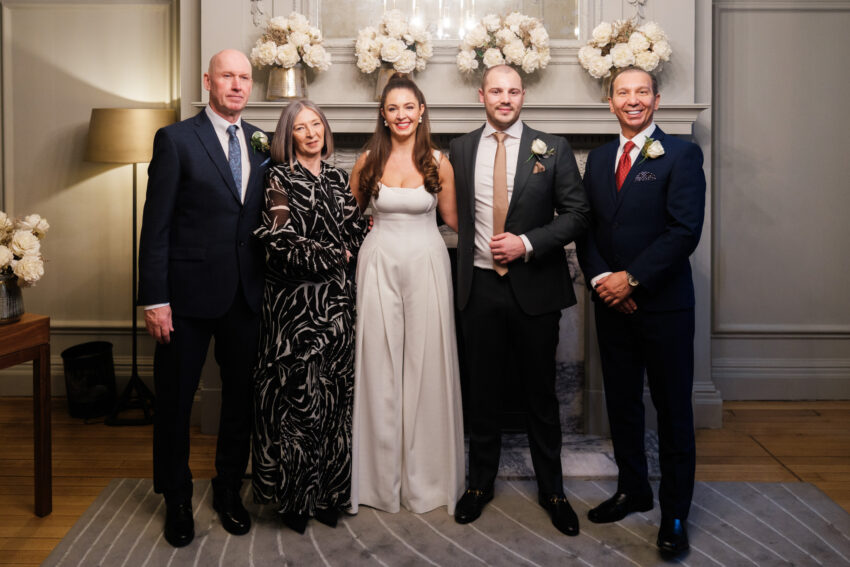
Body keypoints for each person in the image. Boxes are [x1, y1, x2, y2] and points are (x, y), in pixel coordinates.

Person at [449, 65, 589, 536]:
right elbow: (454, 213)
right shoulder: (461, 148)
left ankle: (553, 490)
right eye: (495, 91)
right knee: (482, 391)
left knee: (540, 395)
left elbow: (577, 214)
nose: (504, 99)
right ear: (481, 95)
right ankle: (478, 485)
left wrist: (526, 243)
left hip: (535, 288)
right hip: (480, 287)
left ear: (523, 95)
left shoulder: (553, 147)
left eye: (512, 91)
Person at [138, 49, 266, 547]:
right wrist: (155, 298)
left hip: (245, 296)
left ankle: (229, 489)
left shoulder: (260, 143)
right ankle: (175, 498)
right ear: (208, 81)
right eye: (227, 76)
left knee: (240, 400)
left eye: (244, 78)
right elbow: (156, 227)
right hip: (184, 299)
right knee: (173, 402)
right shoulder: (176, 140)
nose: (236, 85)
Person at [576, 66, 706, 558]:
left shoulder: (681, 154)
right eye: (623, 93)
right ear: (610, 102)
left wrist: (630, 279)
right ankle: (634, 489)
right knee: (623, 404)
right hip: (612, 306)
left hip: (665, 307)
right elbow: (587, 229)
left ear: (657, 99)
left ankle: (674, 513)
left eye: (642, 92)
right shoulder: (601, 158)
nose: (633, 100)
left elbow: (683, 230)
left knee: (673, 412)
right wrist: (601, 282)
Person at [349, 73, 464, 515]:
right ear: (384, 113)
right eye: (392, 108)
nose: (401, 115)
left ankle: (427, 480)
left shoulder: (439, 161)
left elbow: (453, 219)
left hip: (427, 264)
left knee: (426, 362)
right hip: (377, 263)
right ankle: (378, 482)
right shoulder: (367, 160)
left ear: (421, 113)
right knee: (378, 364)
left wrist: (509, 239)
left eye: (408, 107)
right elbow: (350, 216)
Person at [252, 100, 366, 533]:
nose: (312, 132)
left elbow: (356, 229)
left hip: (336, 307)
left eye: (316, 124)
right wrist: (335, 253)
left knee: (335, 403)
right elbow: (279, 242)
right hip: (293, 310)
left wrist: (350, 242)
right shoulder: (279, 178)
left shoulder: (339, 179)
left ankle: (329, 495)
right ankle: (295, 501)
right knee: (297, 407)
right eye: (301, 127)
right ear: (289, 135)